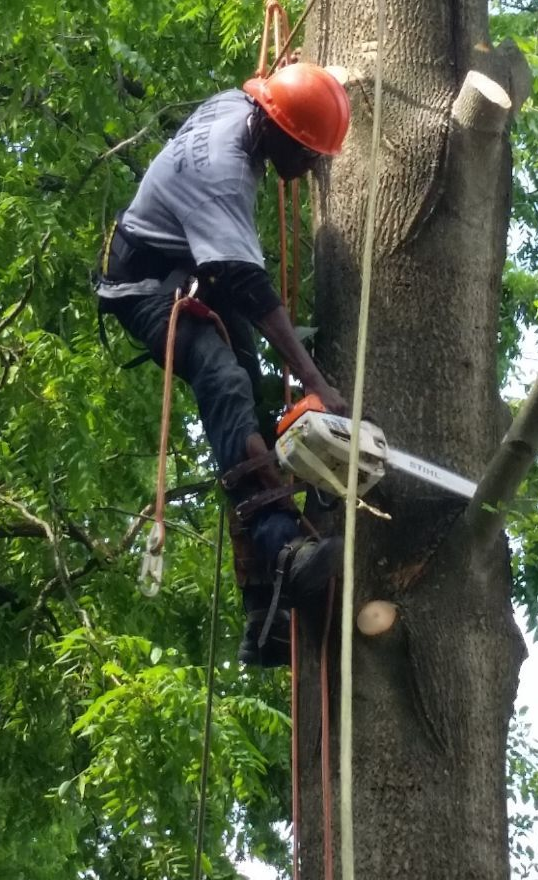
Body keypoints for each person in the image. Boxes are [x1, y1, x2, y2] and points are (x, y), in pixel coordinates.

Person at [97, 63, 351, 667]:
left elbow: (267, 85)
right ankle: (284, 549)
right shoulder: (221, 173)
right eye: (309, 155)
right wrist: (316, 381)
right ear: (278, 133)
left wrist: (324, 84)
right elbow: (249, 286)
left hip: (192, 267)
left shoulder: (246, 108)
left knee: (254, 409)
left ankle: (265, 620)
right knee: (222, 378)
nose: (314, 169)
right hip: (146, 289)